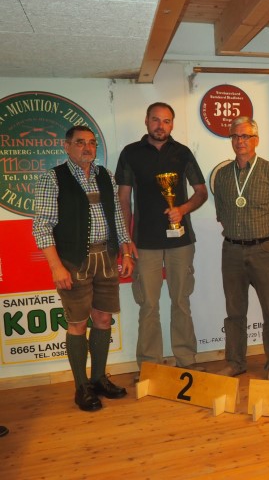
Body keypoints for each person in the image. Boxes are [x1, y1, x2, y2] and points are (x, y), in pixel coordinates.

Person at [33, 126, 134, 411]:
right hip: (74, 261)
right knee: (77, 323)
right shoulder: (52, 178)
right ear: (66, 146)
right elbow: (42, 226)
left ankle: (99, 379)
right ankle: (82, 387)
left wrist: (126, 250)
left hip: (106, 257)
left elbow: (117, 216)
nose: (87, 148)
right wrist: (56, 267)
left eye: (91, 143)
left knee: (103, 319)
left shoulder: (105, 176)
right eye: (80, 143)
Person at [116, 102, 208, 373]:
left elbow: (201, 192)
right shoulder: (130, 153)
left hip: (181, 241)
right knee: (148, 305)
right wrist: (126, 240)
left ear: (172, 124)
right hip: (144, 242)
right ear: (146, 121)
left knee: (181, 302)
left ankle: (187, 362)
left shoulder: (183, 153)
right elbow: (123, 199)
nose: (160, 126)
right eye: (156, 120)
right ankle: (150, 367)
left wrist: (182, 209)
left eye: (166, 121)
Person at [213, 117, 269, 381]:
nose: (240, 141)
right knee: (234, 312)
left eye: (245, 136)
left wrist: (267, 243)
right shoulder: (223, 176)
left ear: (256, 140)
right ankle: (235, 362)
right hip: (232, 251)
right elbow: (222, 213)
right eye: (235, 136)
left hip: (265, 250)